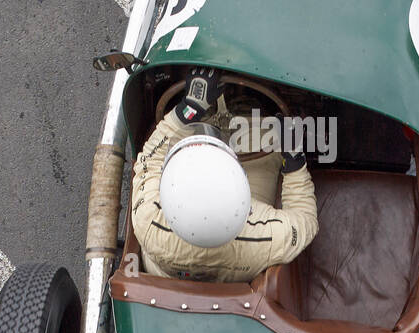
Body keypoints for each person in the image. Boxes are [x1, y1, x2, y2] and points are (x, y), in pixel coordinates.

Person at [131, 67, 318, 283]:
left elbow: (148, 160)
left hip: (166, 278)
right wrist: (294, 159)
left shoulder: (148, 220)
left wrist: (189, 109)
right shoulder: (267, 236)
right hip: (237, 272)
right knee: (270, 137)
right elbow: (305, 221)